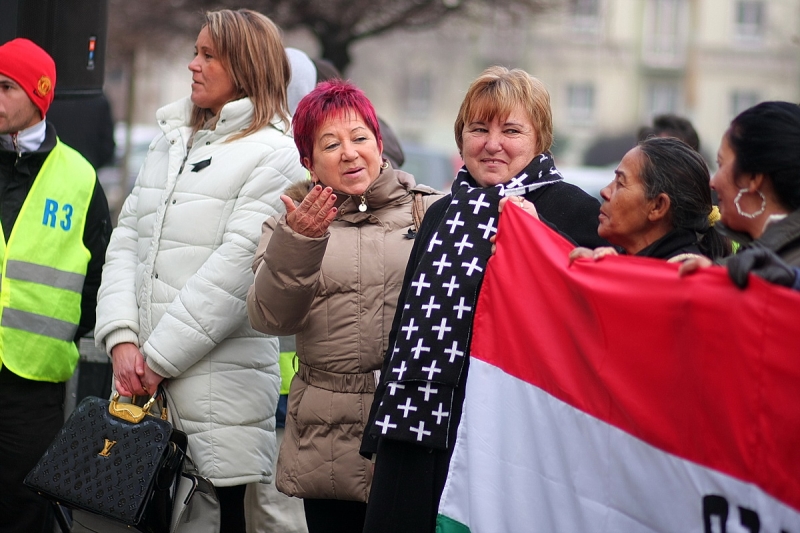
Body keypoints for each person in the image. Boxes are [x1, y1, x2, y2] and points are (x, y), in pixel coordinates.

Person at [359, 66, 606, 533]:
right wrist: (381, 433)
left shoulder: (573, 212)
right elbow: (405, 328)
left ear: (540, 138)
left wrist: (540, 241)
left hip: (507, 443)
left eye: (511, 130)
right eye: (479, 129)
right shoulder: (441, 213)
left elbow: (589, 325)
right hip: (414, 432)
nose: (492, 144)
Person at [93, 10, 307, 532]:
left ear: (247, 66)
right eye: (195, 50)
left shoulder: (276, 155)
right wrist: (121, 339)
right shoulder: (169, 140)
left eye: (209, 55)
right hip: (140, 390)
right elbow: (126, 242)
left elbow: (235, 275)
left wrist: (155, 360)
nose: (193, 64)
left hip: (215, 405)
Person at [246, 79, 441, 533]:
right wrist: (301, 243)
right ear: (310, 162)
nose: (350, 153)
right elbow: (270, 317)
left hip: (410, 425)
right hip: (327, 436)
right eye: (331, 144)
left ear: (379, 144)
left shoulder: (429, 212)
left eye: (360, 138)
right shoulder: (288, 227)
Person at [0, 38, 112, 533]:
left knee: (25, 511)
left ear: (40, 93)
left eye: (5, 87)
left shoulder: (79, 178)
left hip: (33, 383)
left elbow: (99, 277)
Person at [679, 101, 800, 289]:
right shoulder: (749, 264)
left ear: (752, 178)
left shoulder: (784, 278)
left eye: (720, 165)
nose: (712, 182)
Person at [569, 136, 730, 263]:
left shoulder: (686, 280)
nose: (605, 192)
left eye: (620, 183)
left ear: (658, 206)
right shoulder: (627, 262)